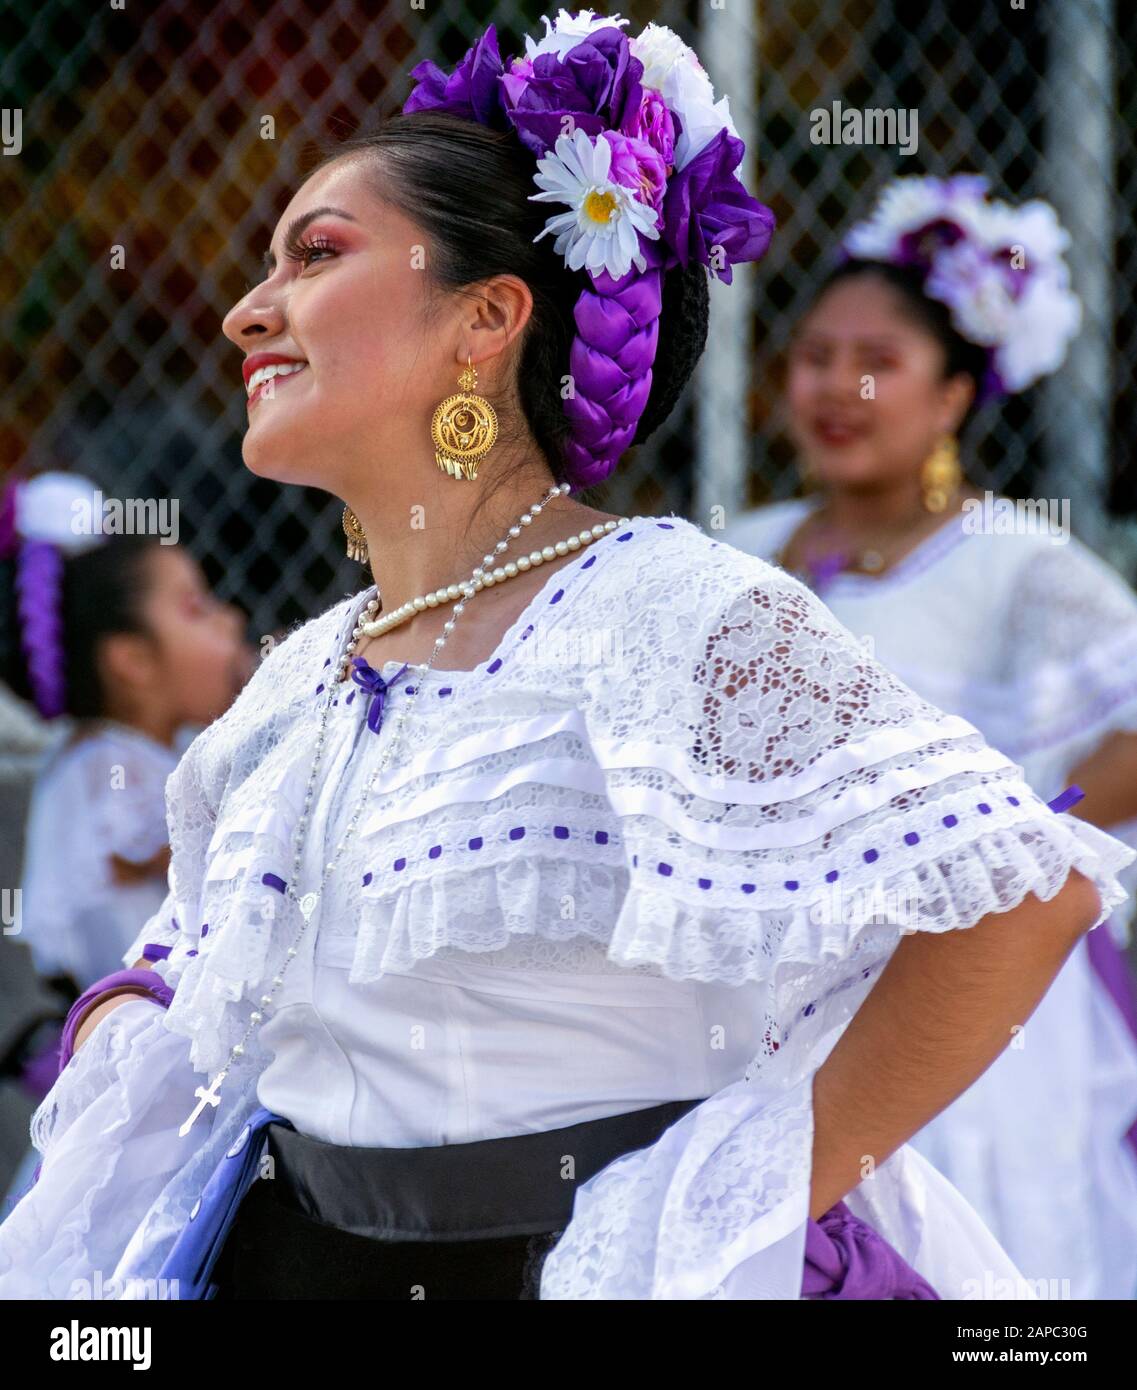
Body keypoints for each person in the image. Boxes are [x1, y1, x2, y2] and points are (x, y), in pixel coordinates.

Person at [0, 14, 1128, 1302]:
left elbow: (1023, 899)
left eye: (314, 254)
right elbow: (200, 955)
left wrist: (720, 1207)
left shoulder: (668, 609)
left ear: (484, 317)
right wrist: (133, 1025)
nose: (249, 311)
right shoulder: (298, 677)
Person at [723, 174, 1137, 1298]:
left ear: (954, 394)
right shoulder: (742, 554)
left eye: (878, 361)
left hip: (963, 994)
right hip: (775, 975)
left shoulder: (1016, 562)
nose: (834, 387)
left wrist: (1008, 842)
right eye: (813, 356)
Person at [0, 470, 253, 995]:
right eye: (196, 609)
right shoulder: (105, 771)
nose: (230, 621)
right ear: (132, 661)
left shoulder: (171, 747)